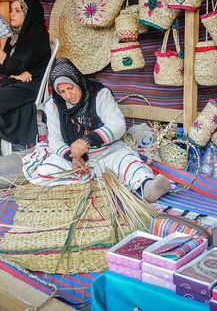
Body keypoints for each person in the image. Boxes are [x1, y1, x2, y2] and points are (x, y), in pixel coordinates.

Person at [35, 58, 172, 203]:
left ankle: (146, 186)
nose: (68, 96)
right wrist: (73, 157)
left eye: (70, 88)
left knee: (125, 160)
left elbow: (118, 125)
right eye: (62, 91)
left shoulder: (99, 95)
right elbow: (55, 139)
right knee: (45, 170)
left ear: (77, 81)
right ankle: (84, 184)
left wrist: (87, 140)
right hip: (73, 157)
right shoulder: (53, 105)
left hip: (105, 150)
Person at [0, 0, 52, 161]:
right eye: (12, 10)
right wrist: (15, 74)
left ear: (29, 15)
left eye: (18, 11)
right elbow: (3, 69)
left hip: (31, 86)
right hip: (15, 81)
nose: (12, 14)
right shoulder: (14, 37)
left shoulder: (37, 38)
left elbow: (15, 65)